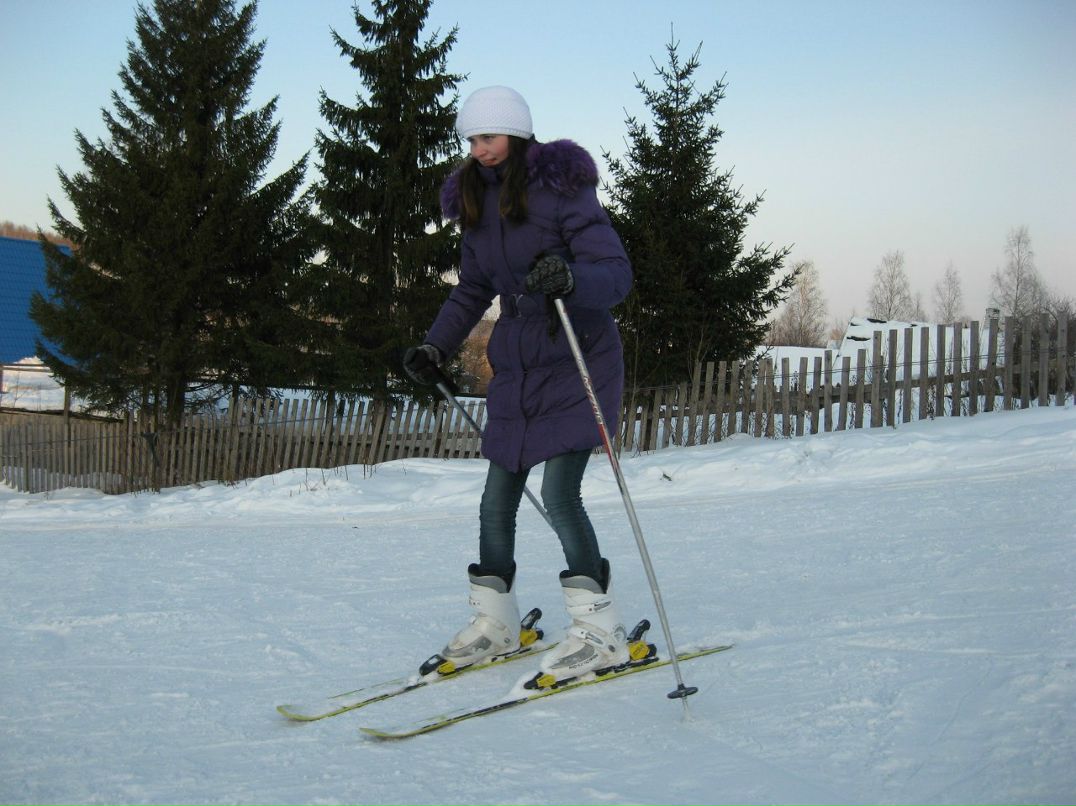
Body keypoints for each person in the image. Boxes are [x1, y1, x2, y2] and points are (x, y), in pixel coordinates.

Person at [403, 85, 633, 684]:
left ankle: (599, 632)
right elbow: (472, 290)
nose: (479, 150)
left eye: (489, 137)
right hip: (519, 364)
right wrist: (437, 344)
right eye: (472, 139)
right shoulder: (477, 204)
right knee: (495, 498)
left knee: (560, 495)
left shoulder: (563, 190)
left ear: (519, 134)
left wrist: (570, 278)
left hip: (579, 352)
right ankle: (496, 622)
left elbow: (615, 273)